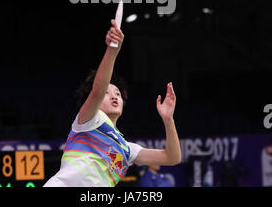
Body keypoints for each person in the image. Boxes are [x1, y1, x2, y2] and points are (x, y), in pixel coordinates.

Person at [43, 20, 181, 187]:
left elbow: (172, 158)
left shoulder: (127, 149)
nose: (114, 97)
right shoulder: (89, 121)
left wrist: (168, 120)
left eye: (117, 94)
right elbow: (97, 90)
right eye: (108, 94)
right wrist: (112, 51)